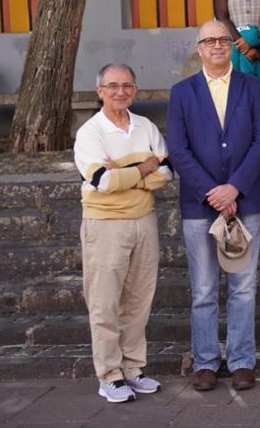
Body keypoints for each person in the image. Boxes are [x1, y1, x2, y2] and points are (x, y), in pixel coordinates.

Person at [167, 20, 260, 392]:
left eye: (223, 40)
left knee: (244, 287)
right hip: (200, 204)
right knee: (204, 289)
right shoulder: (182, 92)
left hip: (246, 201)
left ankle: (242, 360)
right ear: (199, 48)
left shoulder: (254, 88)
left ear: (231, 45)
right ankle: (206, 362)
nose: (216, 46)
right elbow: (177, 149)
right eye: (209, 41)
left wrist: (235, 188)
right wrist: (213, 191)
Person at [74, 63, 171, 403]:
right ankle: (109, 375)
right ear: (99, 91)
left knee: (139, 300)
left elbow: (167, 173)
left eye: (127, 85)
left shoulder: (144, 126)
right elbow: (102, 181)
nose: (120, 92)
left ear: (135, 89)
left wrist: (126, 173)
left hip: (143, 221)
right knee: (104, 302)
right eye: (112, 86)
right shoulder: (90, 132)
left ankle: (133, 368)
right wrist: (145, 166)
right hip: (105, 225)